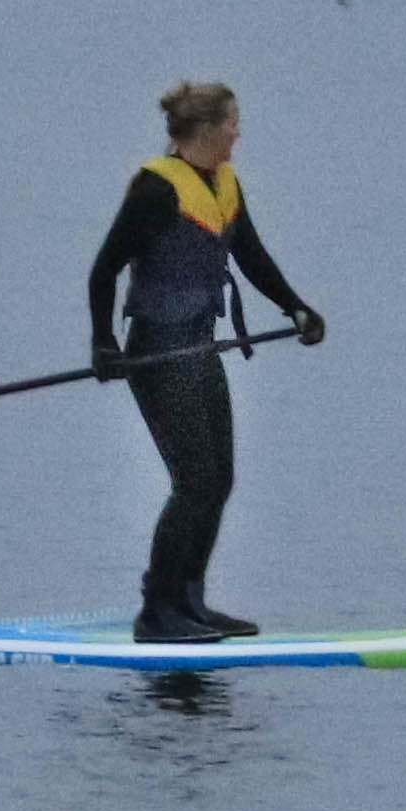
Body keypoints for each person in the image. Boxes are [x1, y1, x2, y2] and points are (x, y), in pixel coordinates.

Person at [86, 80, 322, 643]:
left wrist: (296, 308)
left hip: (198, 345)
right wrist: (103, 342)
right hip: (157, 351)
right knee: (193, 482)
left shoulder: (224, 184)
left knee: (219, 479)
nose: (239, 132)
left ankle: (190, 602)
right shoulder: (155, 190)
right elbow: (104, 269)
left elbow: (251, 256)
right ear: (207, 130)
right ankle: (156, 612)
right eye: (233, 122)